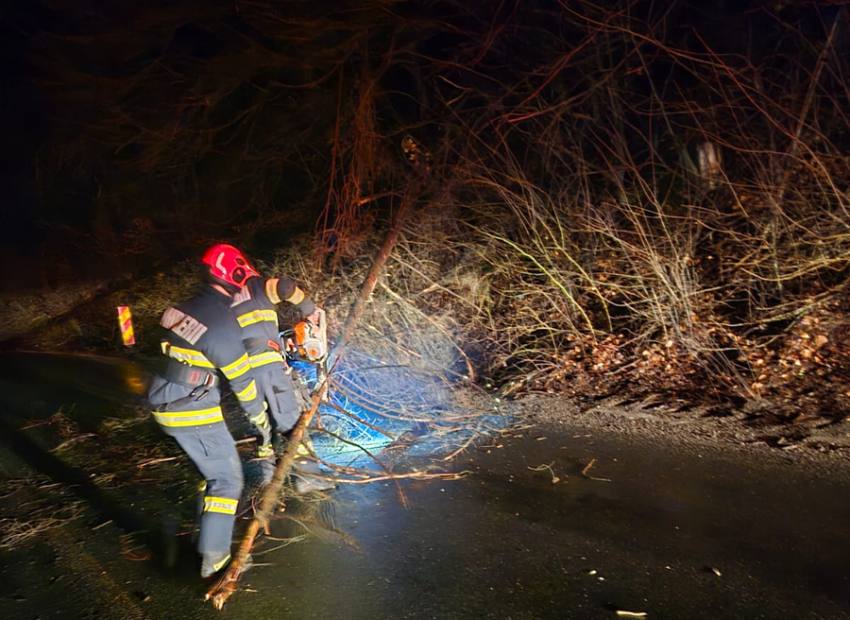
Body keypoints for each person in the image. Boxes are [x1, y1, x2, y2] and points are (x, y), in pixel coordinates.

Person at [147, 244, 273, 578]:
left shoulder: (182, 308)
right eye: (245, 280)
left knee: (213, 470)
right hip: (191, 410)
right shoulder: (221, 323)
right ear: (235, 276)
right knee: (228, 479)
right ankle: (215, 562)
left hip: (166, 399)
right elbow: (242, 381)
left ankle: (207, 526)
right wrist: (260, 419)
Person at [227, 244, 333, 493]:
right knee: (290, 419)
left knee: (263, 426)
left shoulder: (224, 300)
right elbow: (285, 287)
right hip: (268, 369)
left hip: (243, 374)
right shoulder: (255, 287)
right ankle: (308, 477)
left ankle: (266, 486)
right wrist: (310, 311)